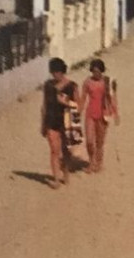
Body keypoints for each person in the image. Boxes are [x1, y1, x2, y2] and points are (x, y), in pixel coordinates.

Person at [40, 57, 79, 188]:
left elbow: (78, 105)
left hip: (66, 121)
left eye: (57, 72)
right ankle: (56, 179)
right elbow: (44, 105)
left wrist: (66, 102)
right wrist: (42, 124)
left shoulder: (72, 86)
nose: (55, 74)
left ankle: (66, 173)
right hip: (51, 120)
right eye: (53, 72)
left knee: (66, 151)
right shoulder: (48, 85)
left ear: (62, 71)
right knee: (54, 150)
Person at [80, 58, 119, 173]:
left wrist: (116, 113)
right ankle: (91, 161)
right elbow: (83, 98)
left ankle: (99, 162)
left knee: (100, 142)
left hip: (103, 113)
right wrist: (78, 110)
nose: (96, 74)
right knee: (89, 141)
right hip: (90, 113)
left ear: (102, 71)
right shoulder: (87, 82)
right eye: (93, 71)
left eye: (98, 71)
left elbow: (113, 98)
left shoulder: (107, 82)